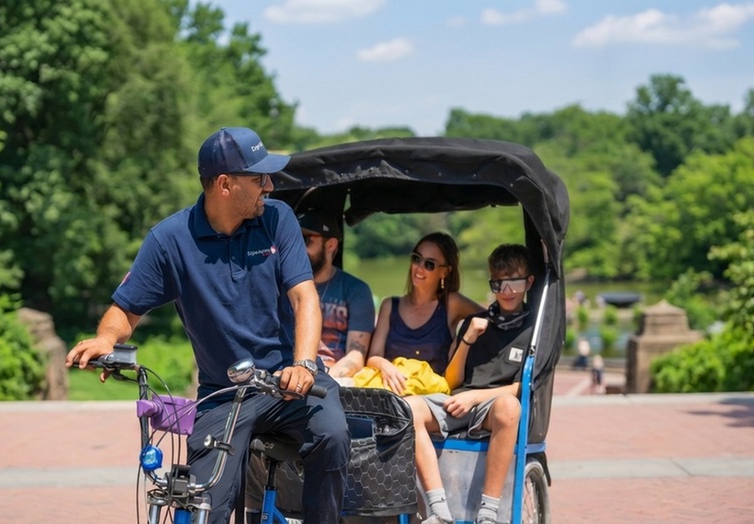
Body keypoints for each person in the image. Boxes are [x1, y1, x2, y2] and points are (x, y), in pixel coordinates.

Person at [65, 127, 350, 524]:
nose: (269, 186)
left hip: (291, 384)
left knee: (333, 434)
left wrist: (303, 364)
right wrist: (105, 338)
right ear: (225, 184)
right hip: (224, 394)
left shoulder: (277, 219)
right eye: (259, 178)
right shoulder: (170, 240)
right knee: (202, 504)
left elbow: (305, 298)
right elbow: (125, 310)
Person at [406, 243, 536, 524]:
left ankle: (488, 514)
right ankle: (438, 509)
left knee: (509, 407)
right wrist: (467, 339)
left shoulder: (533, 330)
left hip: (491, 407)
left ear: (528, 282)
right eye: (498, 283)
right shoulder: (475, 322)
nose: (506, 291)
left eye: (514, 282)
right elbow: (451, 381)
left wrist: (475, 397)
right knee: (407, 408)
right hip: (457, 401)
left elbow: (521, 387)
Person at [360, 232, 483, 395]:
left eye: (429, 264)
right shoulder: (389, 305)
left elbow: (491, 318)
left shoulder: (452, 303)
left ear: (445, 272)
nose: (419, 267)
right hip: (391, 392)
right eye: (416, 259)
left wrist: (463, 342)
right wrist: (385, 366)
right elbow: (373, 356)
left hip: (432, 395)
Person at [298, 211, 375, 382]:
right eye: (294, 239)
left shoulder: (356, 290)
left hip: (335, 377)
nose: (297, 247)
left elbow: (356, 354)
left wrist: (326, 379)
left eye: (305, 240)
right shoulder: (285, 288)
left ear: (331, 245)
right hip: (293, 373)